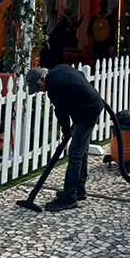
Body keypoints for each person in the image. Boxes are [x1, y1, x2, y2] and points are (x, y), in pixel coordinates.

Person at [26, 65, 104, 212]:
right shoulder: (60, 69)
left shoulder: (55, 87)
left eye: (38, 87)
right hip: (89, 105)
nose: (38, 90)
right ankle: (78, 189)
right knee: (81, 151)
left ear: (42, 78)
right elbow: (79, 75)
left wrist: (66, 130)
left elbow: (61, 112)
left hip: (87, 110)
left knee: (75, 153)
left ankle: (69, 197)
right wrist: (68, 129)